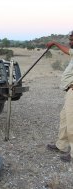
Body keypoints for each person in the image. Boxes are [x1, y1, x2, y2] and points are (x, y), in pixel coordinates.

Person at [46, 31, 73, 162]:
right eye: (70, 39)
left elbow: (67, 50)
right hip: (69, 91)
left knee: (71, 122)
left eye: (72, 39)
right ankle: (61, 145)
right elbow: (68, 51)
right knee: (64, 118)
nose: (70, 42)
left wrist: (55, 43)